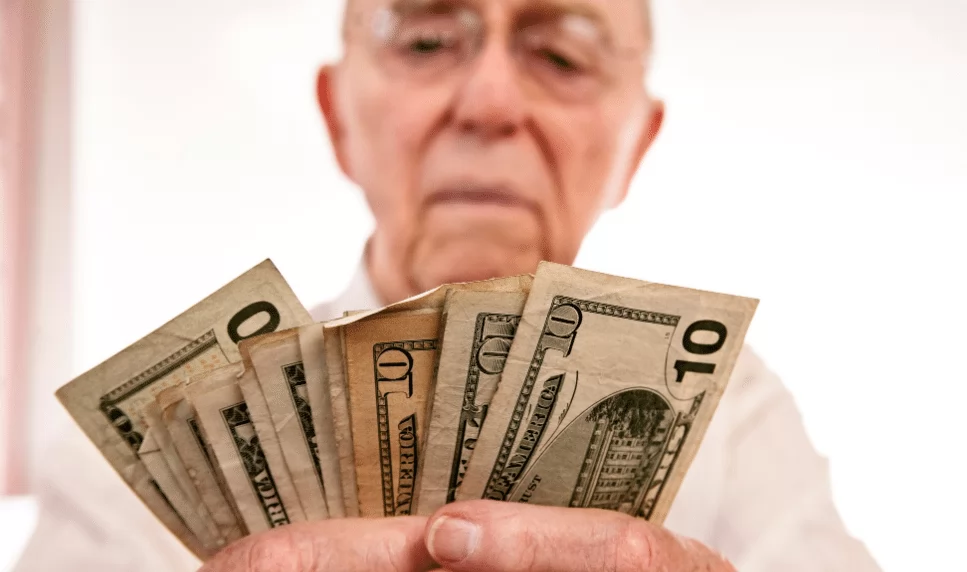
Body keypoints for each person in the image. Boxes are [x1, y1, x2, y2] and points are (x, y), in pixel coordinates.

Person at [17, 0, 882, 570]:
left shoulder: (737, 413)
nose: (489, 100)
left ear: (636, 146)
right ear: (337, 118)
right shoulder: (160, 440)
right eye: (427, 40)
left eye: (564, 55)